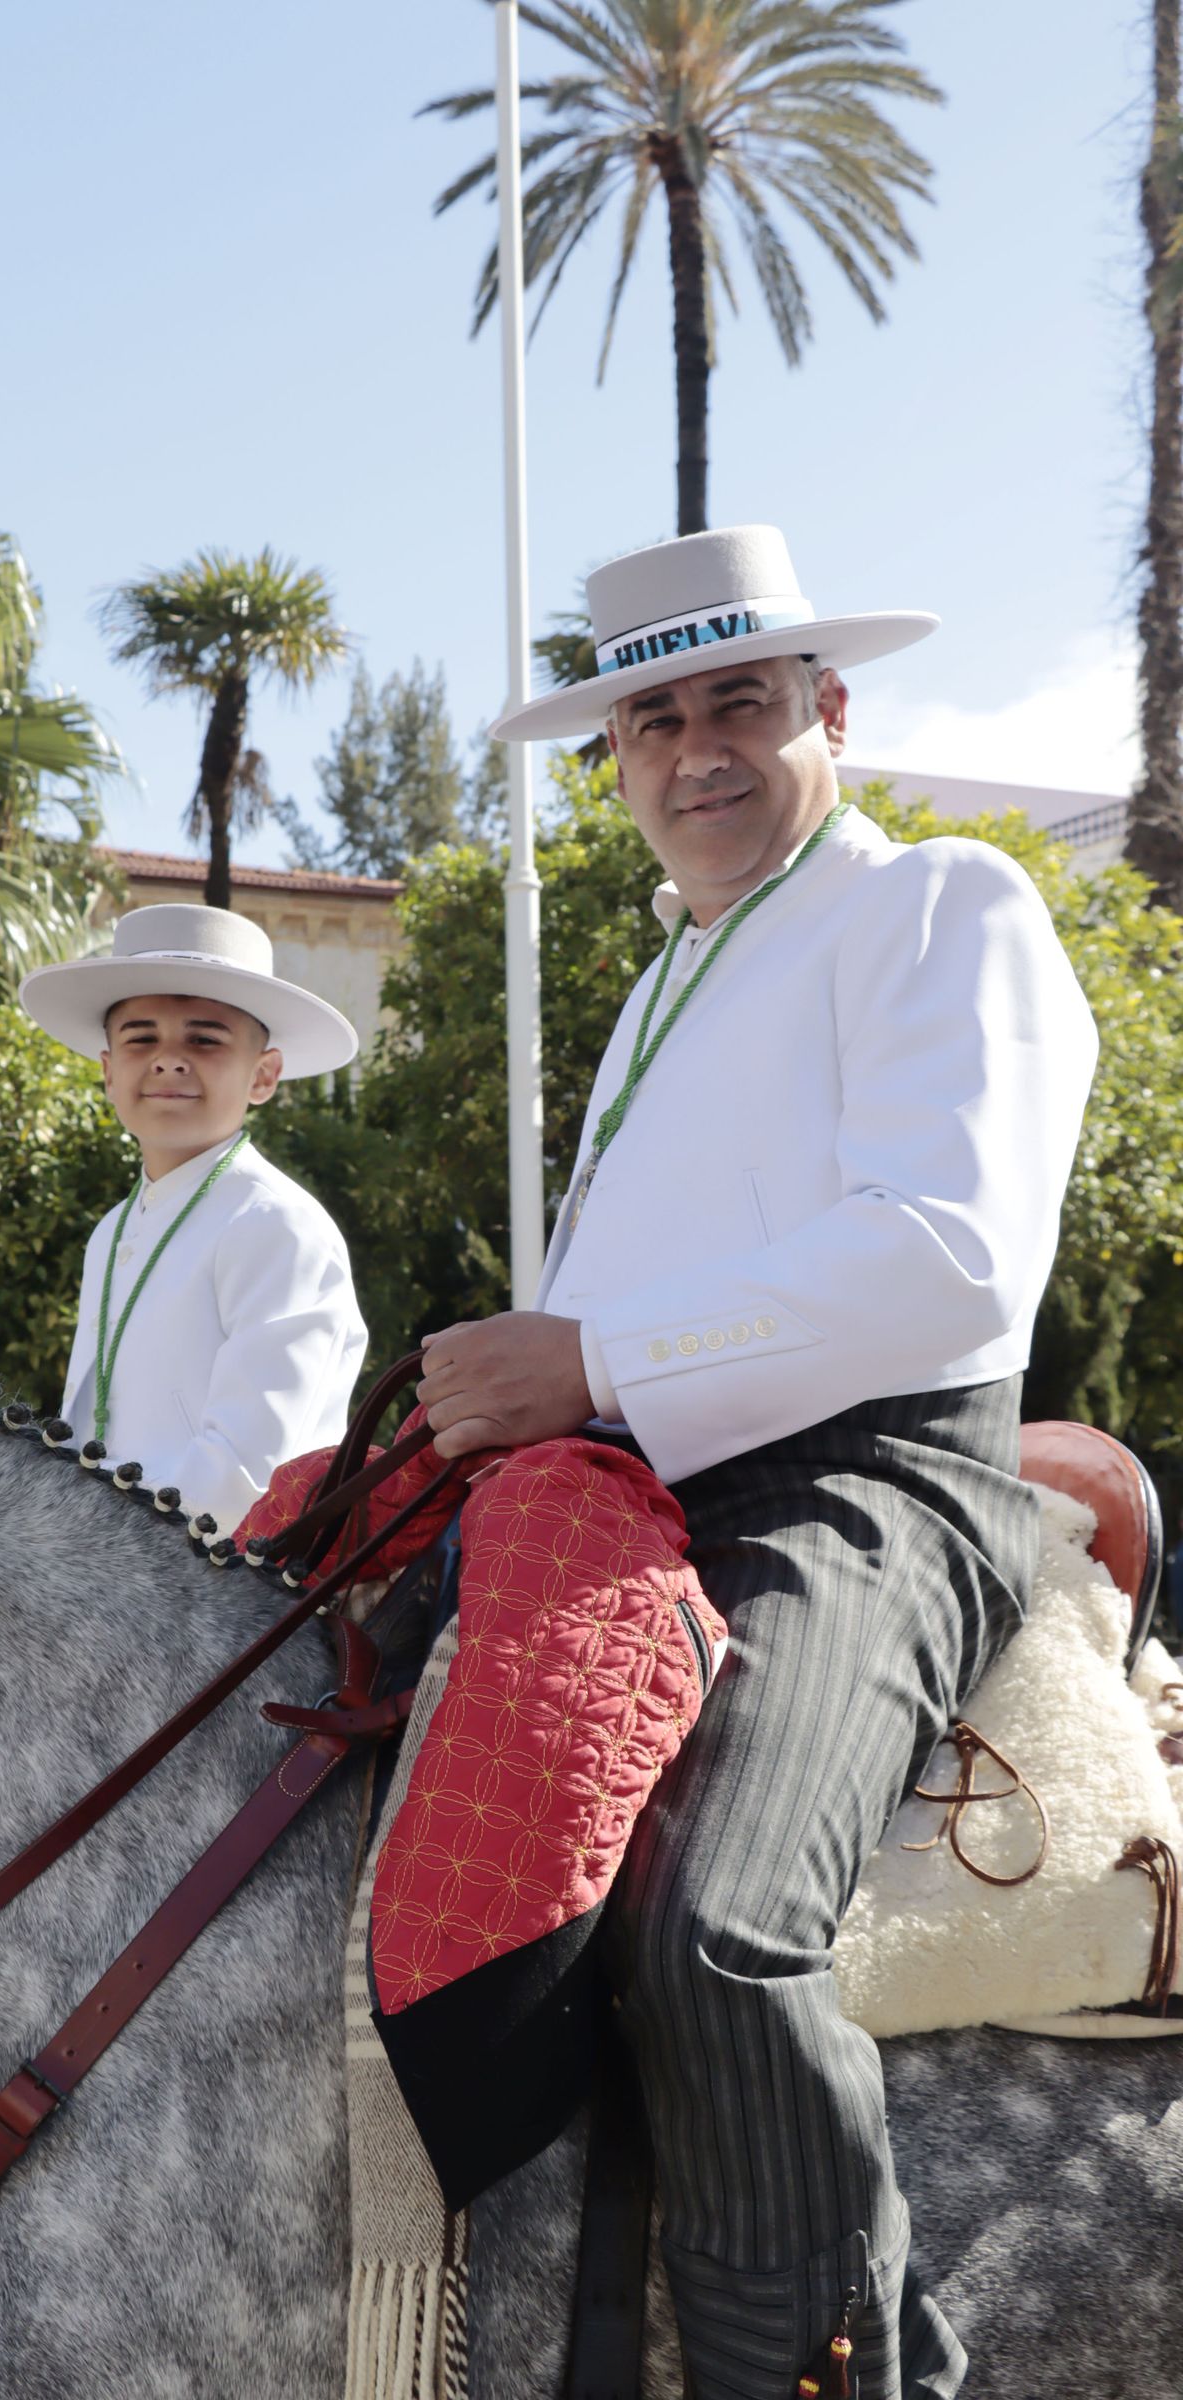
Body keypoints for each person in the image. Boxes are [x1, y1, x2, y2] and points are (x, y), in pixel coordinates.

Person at [415, 525, 1098, 2399]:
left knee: (715, 1918)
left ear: (830, 712)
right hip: (649, 1491)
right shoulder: (664, 983)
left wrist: (594, 1357)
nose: (699, 750)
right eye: (656, 718)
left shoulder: (944, 902)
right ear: (617, 759)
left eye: (743, 701)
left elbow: (954, 1251)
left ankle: (826, 2372)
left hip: (878, 1490)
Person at [19, 902, 368, 1536]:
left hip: (227, 1597)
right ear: (107, 1071)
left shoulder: (275, 1224)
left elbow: (245, 1471)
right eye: (141, 1038)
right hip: (97, 1577)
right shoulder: (114, 1230)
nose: (170, 1059)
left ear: (263, 1076)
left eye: (205, 1039)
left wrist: (100, 1561)